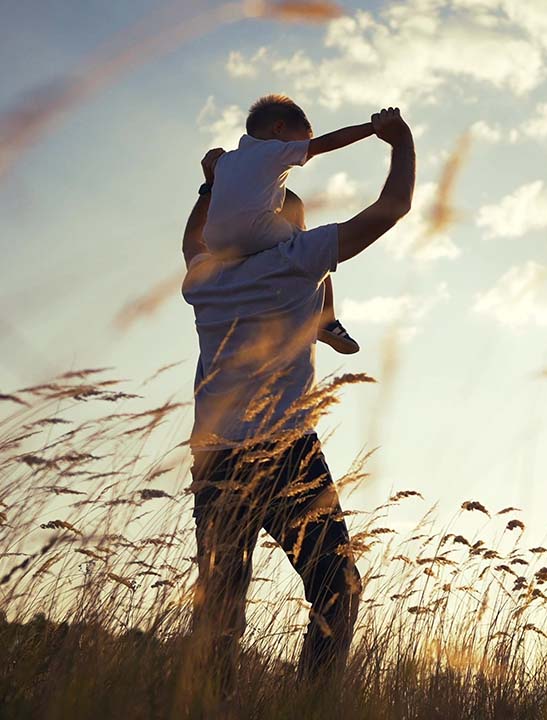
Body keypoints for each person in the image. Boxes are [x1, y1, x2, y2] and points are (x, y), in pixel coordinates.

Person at [181, 107, 415, 700]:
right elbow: (392, 209)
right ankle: (308, 706)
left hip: (214, 457)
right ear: (287, 226)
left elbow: (193, 237)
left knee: (220, 610)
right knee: (338, 587)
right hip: (284, 449)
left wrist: (212, 183)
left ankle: (208, 710)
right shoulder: (297, 258)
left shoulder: (202, 277)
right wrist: (401, 142)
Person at [204, 94, 372, 355]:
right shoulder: (274, 150)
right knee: (313, 245)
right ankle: (327, 320)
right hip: (254, 230)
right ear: (279, 128)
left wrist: (209, 180)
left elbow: (218, 184)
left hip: (214, 243)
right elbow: (328, 142)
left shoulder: (224, 161)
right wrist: (373, 127)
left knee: (285, 223)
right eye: (301, 142)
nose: (303, 150)